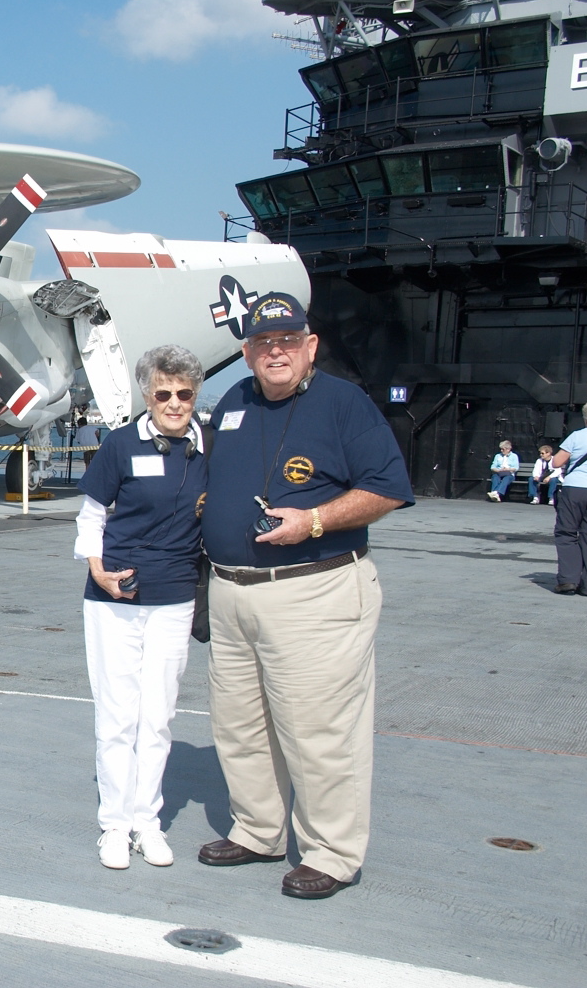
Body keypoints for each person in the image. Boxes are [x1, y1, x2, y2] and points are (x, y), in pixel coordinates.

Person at [198, 291, 413, 900]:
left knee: (318, 731)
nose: (276, 352)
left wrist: (314, 521)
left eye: (288, 340)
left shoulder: (345, 404)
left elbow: (388, 488)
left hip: (314, 591)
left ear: (310, 345)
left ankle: (333, 854)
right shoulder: (234, 404)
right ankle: (258, 830)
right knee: (241, 726)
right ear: (246, 353)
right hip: (233, 593)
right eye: (264, 343)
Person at [73, 345, 207, 870]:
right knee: (117, 716)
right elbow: (91, 516)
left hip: (175, 598)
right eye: (162, 393)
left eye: (184, 394)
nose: (174, 403)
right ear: (147, 395)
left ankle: (146, 822)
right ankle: (114, 824)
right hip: (116, 599)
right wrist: (97, 569)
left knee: (158, 717)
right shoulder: (122, 445)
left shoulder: (208, 446)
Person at [549, 398, 587, 596]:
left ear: (586, 419)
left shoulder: (577, 436)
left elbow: (557, 463)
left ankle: (568, 580)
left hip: (575, 489)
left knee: (566, 533)